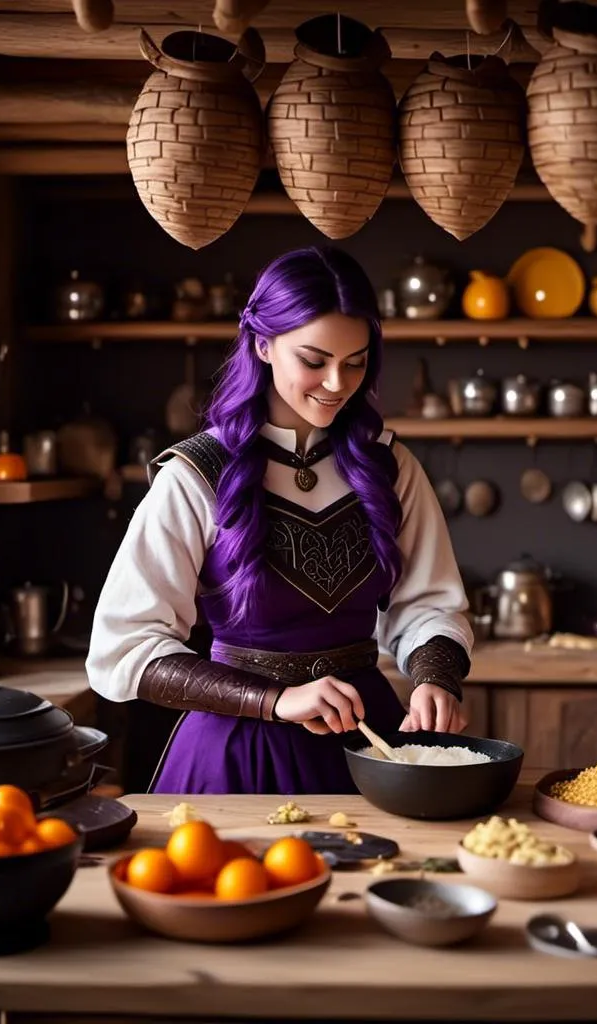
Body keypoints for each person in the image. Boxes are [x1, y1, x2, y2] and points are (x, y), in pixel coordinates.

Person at [86, 246, 474, 794]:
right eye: (314, 361)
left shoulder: (391, 467)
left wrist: (438, 679)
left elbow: (430, 605)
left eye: (356, 362)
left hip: (369, 746)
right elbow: (124, 648)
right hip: (235, 753)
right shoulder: (194, 474)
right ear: (263, 345)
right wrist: (278, 700)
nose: (338, 384)